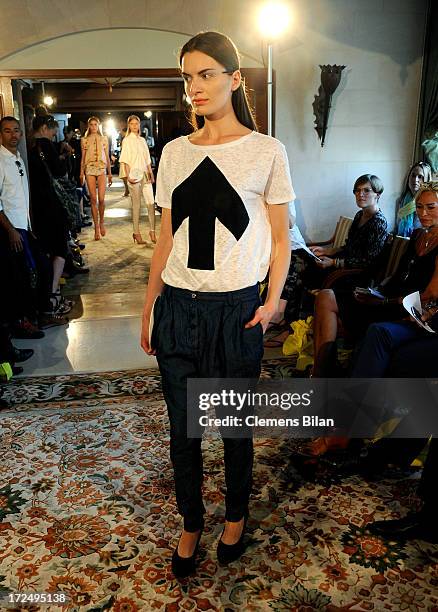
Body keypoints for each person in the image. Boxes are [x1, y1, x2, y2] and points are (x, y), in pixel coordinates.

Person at [140, 30, 293, 578]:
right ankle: (190, 521)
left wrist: (272, 301)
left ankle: (234, 516)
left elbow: (281, 239)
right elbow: (165, 237)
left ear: (234, 79)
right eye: (187, 77)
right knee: (183, 426)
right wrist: (150, 301)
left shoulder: (266, 151)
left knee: (232, 427)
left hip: (236, 312)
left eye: (206, 74)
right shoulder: (174, 153)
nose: (195, 87)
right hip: (179, 307)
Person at [313, 181, 438, 378]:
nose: (423, 213)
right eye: (420, 207)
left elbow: (429, 295)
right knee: (326, 296)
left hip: (409, 309)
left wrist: (384, 300)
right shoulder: (418, 235)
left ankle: (346, 387)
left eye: (431, 207)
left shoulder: (383, 222)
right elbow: (398, 274)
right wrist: (379, 290)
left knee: (375, 329)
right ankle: (321, 371)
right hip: (390, 297)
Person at [267, 174, 388, 349]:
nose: (360, 194)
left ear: (378, 194)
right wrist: (328, 251)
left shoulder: (379, 222)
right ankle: (289, 323)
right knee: (297, 262)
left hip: (356, 276)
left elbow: (368, 262)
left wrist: (333, 263)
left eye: (366, 191)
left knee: (300, 270)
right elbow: (349, 247)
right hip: (343, 267)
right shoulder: (359, 216)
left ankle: (289, 325)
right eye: (357, 191)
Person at [28, 115, 71, 317]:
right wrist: (64, 155)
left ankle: (46, 295)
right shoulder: (46, 145)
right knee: (60, 246)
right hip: (50, 203)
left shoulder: (26, 147)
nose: (54, 135)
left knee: (43, 250)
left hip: (33, 206)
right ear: (45, 128)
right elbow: (59, 171)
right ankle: (53, 294)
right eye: (53, 131)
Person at [119, 115, 156, 245]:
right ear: (129, 125)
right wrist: (128, 176)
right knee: (136, 206)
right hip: (134, 175)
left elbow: (147, 159)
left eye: (137, 123)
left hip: (145, 174)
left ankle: (152, 231)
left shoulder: (142, 140)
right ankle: (136, 232)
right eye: (132, 124)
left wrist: (151, 173)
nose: (135, 126)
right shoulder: (127, 140)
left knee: (151, 203)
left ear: (139, 125)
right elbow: (125, 160)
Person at [80, 117, 112, 240]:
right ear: (89, 126)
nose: (94, 127)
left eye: (95, 124)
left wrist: (109, 173)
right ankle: (96, 228)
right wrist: (81, 173)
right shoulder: (84, 140)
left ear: (98, 125)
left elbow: (107, 157)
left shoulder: (104, 139)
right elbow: (83, 158)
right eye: (91, 125)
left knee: (102, 199)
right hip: (89, 168)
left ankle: (102, 221)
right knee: (93, 199)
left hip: (101, 168)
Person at [395, 161, 431, 237]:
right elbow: (397, 227)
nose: (415, 180)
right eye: (413, 176)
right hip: (403, 243)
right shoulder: (401, 201)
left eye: (420, 177)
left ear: (426, 181)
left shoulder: (430, 205)